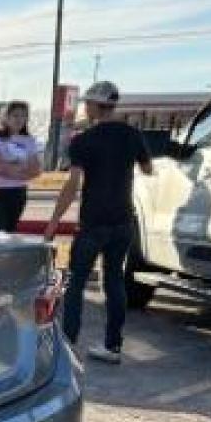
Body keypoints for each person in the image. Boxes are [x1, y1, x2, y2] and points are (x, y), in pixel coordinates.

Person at [44, 81, 154, 364]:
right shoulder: (132, 134)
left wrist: (54, 221)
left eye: (87, 103)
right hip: (123, 220)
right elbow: (148, 169)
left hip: (93, 222)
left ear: (94, 105)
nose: (85, 108)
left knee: (76, 283)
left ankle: (68, 346)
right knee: (115, 279)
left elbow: (73, 183)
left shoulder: (83, 141)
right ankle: (113, 346)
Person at [0, 101, 41, 233]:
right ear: (6, 117)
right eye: (15, 115)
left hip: (19, 193)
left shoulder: (29, 140)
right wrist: (23, 168)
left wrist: (11, 167)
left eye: (23, 116)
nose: (19, 119)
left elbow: (36, 170)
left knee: (10, 232)